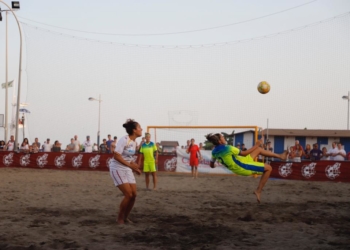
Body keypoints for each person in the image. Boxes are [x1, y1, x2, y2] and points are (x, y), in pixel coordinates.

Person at [207, 133, 288, 203]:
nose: (224, 138)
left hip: (242, 161)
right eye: (223, 137)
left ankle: (280, 156)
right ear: (220, 141)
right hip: (243, 167)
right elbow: (244, 153)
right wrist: (256, 144)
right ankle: (258, 191)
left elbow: (211, 165)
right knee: (269, 168)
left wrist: (214, 166)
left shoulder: (213, 152)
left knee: (259, 149)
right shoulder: (228, 148)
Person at [109, 119, 142, 224]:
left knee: (134, 195)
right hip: (117, 168)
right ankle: (119, 218)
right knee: (128, 194)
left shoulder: (134, 142)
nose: (141, 129)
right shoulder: (124, 139)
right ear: (134, 130)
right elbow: (116, 156)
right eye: (139, 128)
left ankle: (126, 217)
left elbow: (128, 158)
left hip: (127, 168)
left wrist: (135, 167)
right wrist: (130, 166)